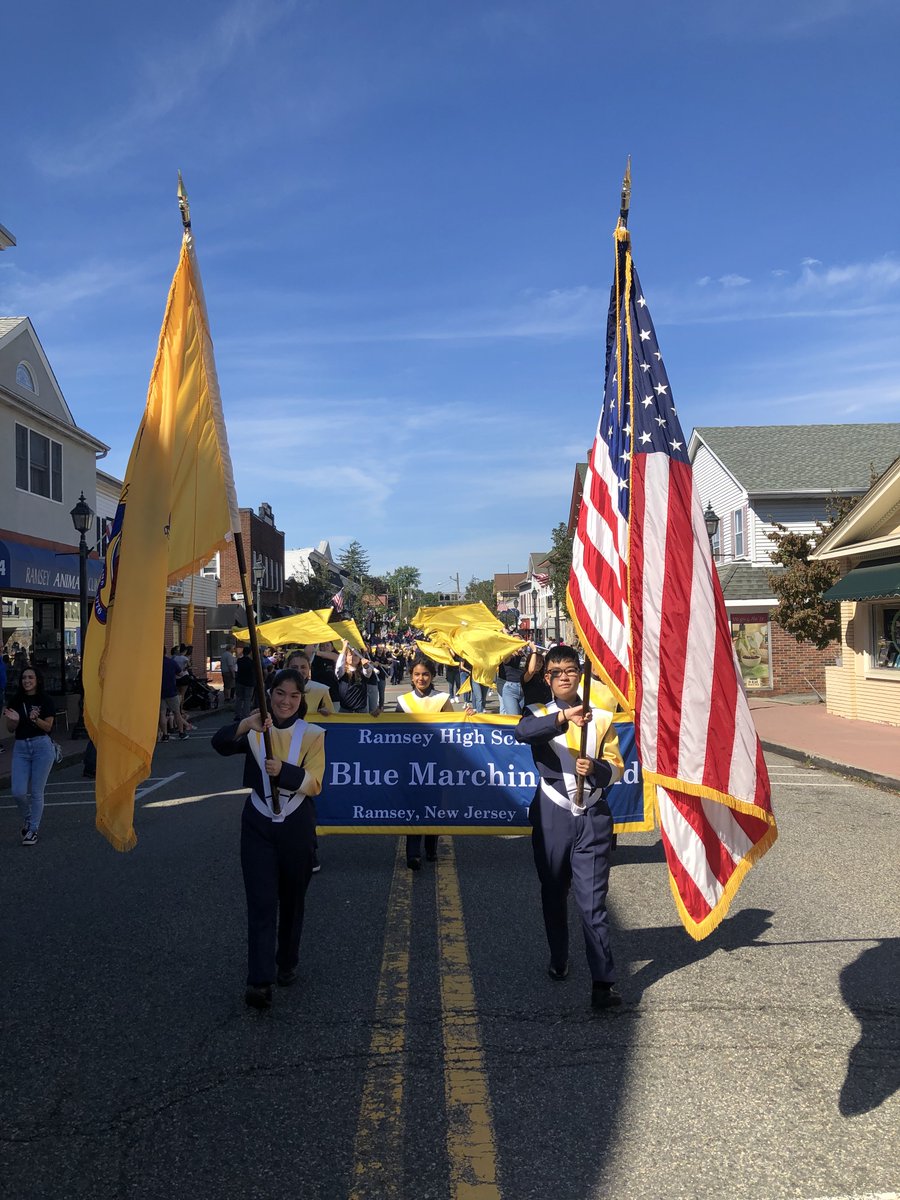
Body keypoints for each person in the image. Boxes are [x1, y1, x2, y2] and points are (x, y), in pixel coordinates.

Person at [515, 645, 624, 1011]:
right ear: (547, 679)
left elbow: (617, 768)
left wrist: (595, 769)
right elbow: (523, 733)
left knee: (593, 904)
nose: (564, 676)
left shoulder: (603, 717)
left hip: (592, 817)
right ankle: (559, 956)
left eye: (570, 670)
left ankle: (603, 982)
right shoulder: (538, 712)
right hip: (552, 816)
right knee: (554, 891)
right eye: (556, 671)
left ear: (580, 674)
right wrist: (563, 720)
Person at [212, 668, 326, 1010]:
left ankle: (286, 960)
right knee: (261, 901)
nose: (285, 702)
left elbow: (316, 783)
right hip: (258, 822)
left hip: (296, 823)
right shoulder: (256, 730)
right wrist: (246, 724)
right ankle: (259, 980)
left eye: (293, 696)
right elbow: (218, 743)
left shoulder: (314, 734)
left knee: (292, 899)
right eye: (279, 694)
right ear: (269, 694)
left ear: (301, 699)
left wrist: (286, 773)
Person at [395, 655, 461, 871]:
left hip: (436, 761)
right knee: (412, 806)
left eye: (425, 674)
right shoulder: (403, 701)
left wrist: (468, 717)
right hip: (410, 761)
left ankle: (431, 847)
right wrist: (376, 717)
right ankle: (413, 853)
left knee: (433, 804)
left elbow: (453, 727)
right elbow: (392, 731)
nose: (421, 678)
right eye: (416, 674)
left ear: (432, 676)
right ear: (411, 677)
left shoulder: (442, 699)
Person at [4, 666, 56, 845]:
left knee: (36, 792)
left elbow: (49, 727)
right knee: (17, 792)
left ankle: (32, 830)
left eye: (30, 678)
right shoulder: (16, 700)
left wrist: (35, 719)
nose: (26, 681)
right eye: (24, 678)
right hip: (21, 747)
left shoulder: (45, 700)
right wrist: (13, 721)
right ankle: (28, 819)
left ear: (37, 680)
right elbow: (10, 729)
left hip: (41, 746)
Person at [334, 641, 374, 714]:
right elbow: (339, 666)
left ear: (360, 658)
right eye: (350, 655)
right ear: (346, 657)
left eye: (355, 655)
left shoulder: (363, 671)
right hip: (345, 710)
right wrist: (344, 648)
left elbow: (368, 673)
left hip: (361, 710)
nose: (352, 657)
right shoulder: (342, 672)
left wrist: (366, 666)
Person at [159, 651, 188, 741]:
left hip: (160, 691)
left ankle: (165, 735)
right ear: (165, 652)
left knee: (162, 713)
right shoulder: (171, 662)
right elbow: (180, 673)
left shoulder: (155, 662)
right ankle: (181, 733)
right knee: (176, 712)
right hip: (171, 690)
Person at [497, 645, 527, 715]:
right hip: (509, 686)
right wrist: (511, 650)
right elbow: (505, 660)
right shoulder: (509, 655)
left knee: (523, 715)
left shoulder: (524, 656)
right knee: (510, 714)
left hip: (523, 686)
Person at [234, 646, 256, 722]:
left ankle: (237, 715)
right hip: (249, 682)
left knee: (239, 698)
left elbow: (236, 670)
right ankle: (245, 716)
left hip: (240, 681)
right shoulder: (252, 662)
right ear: (250, 652)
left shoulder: (239, 661)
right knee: (247, 699)